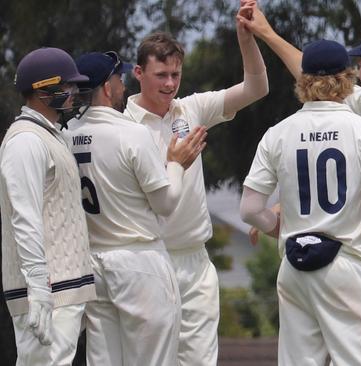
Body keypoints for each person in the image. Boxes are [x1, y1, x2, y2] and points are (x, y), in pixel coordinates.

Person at [239, 5, 361, 364]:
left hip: (296, 261)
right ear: (346, 80)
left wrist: (278, 220)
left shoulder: (280, 132)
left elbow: (248, 208)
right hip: (352, 259)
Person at [123, 3, 268, 364]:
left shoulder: (191, 109)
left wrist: (246, 39)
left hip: (195, 260)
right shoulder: (121, 126)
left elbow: (257, 87)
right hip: (148, 260)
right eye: (161, 75)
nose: (170, 84)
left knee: (200, 359)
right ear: (139, 72)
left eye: (176, 74)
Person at [67, 51, 207, 365]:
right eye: (118, 79)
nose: (122, 84)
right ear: (107, 88)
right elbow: (166, 203)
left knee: (103, 360)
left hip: (95, 263)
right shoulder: (131, 133)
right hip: (139, 262)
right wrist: (176, 165)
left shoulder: (67, 134)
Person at [0, 47, 96, 365]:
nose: (72, 92)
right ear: (44, 90)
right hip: (45, 289)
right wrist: (38, 287)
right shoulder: (25, 141)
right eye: (66, 85)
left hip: (63, 285)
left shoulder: (52, 136)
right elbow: (24, 217)